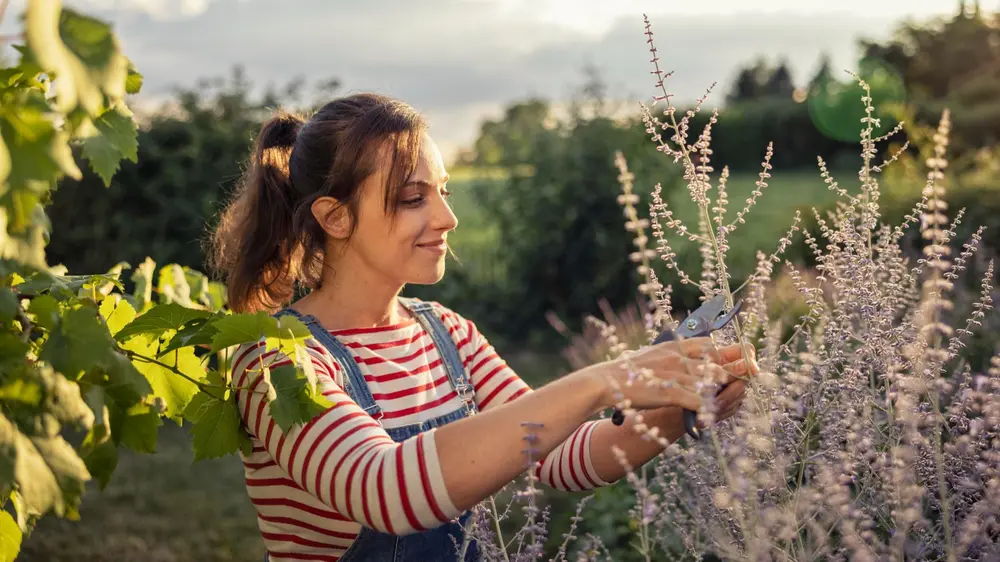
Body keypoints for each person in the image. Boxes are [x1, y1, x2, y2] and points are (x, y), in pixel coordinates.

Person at [208, 92, 757, 562]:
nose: (447, 218)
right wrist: (605, 380)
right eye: (412, 198)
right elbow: (388, 491)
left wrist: (681, 408)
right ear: (335, 217)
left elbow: (562, 460)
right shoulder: (277, 360)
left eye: (442, 191)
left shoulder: (446, 333)